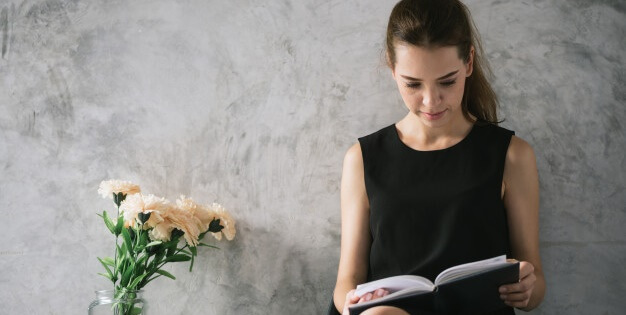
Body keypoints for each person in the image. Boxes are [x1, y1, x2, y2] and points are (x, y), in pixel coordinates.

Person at [330, 0, 545, 314]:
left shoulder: (512, 156)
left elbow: (535, 283)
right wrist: (350, 303)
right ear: (392, 69)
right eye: (413, 84)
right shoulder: (362, 158)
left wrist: (527, 286)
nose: (431, 101)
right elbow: (346, 281)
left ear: (468, 63)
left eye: (447, 81)